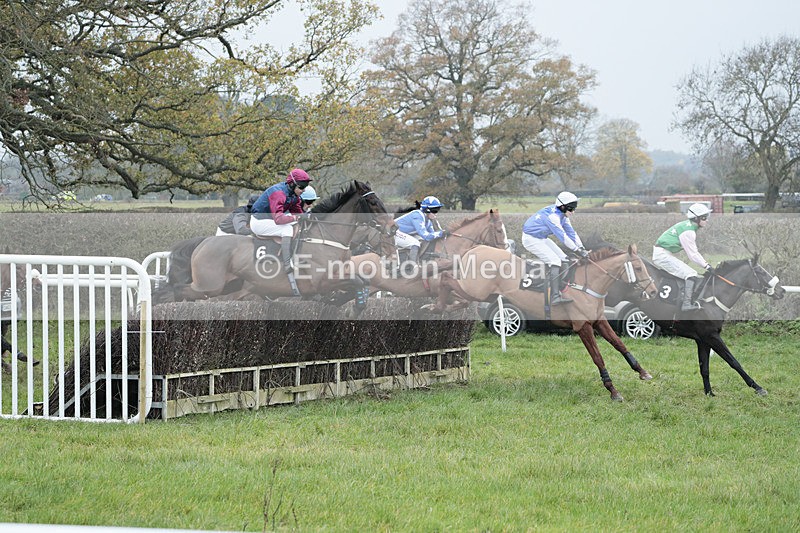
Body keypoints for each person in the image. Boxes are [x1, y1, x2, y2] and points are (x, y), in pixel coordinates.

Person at [250, 169, 312, 296]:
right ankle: (287, 262)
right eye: (302, 187)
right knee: (287, 229)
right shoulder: (278, 194)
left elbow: (297, 212)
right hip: (259, 222)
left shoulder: (294, 195)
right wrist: (297, 218)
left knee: (296, 226)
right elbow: (278, 219)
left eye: (306, 187)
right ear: (292, 184)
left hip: (270, 220)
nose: (304, 190)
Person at [522, 191, 589, 305]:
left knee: (565, 259)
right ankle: (554, 296)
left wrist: (582, 247)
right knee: (555, 261)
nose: (573, 212)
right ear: (562, 207)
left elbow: (572, 233)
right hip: (530, 239)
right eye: (571, 209)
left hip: (541, 238)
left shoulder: (563, 215)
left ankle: (560, 286)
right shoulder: (553, 217)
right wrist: (577, 250)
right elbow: (563, 237)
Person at [653, 202, 714, 311]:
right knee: (691, 274)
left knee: (687, 272)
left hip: (664, 253)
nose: (707, 220)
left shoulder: (688, 226)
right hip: (662, 255)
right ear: (696, 218)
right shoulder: (688, 231)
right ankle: (686, 304)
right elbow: (693, 254)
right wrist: (707, 266)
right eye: (704, 217)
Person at [394, 195, 447, 263]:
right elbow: (427, 236)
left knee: (421, 240)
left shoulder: (428, 221)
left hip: (403, 233)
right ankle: (411, 266)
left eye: (437, 210)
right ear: (427, 210)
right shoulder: (417, 215)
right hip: (393, 233)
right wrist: (441, 233)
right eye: (435, 210)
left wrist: (442, 234)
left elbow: (432, 235)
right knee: (415, 243)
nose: (436, 213)